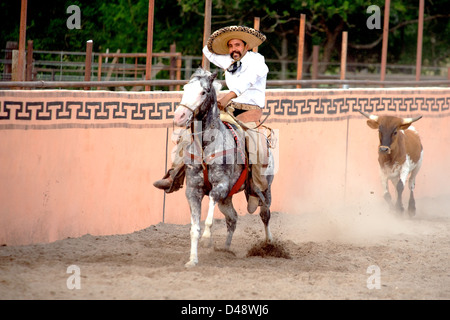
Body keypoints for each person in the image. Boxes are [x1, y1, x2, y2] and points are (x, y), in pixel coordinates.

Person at [153, 25, 269, 214]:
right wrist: (217, 39)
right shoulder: (230, 61)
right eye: (230, 45)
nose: (233, 49)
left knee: (256, 143)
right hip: (228, 109)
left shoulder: (258, 62)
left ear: (247, 46)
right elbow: (207, 51)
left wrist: (228, 96)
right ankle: (173, 175)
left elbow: (246, 82)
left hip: (250, 111)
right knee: (193, 132)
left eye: (237, 44)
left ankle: (256, 189)